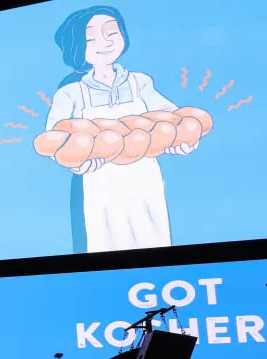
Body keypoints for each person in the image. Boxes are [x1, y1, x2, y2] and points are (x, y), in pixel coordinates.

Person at [46, 6, 195, 253]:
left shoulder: (140, 82)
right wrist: (77, 163)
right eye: (91, 38)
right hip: (99, 181)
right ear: (77, 46)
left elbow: (172, 116)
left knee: (152, 239)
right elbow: (54, 139)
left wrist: (181, 141)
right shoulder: (70, 92)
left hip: (144, 177)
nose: (103, 43)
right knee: (105, 243)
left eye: (111, 33)